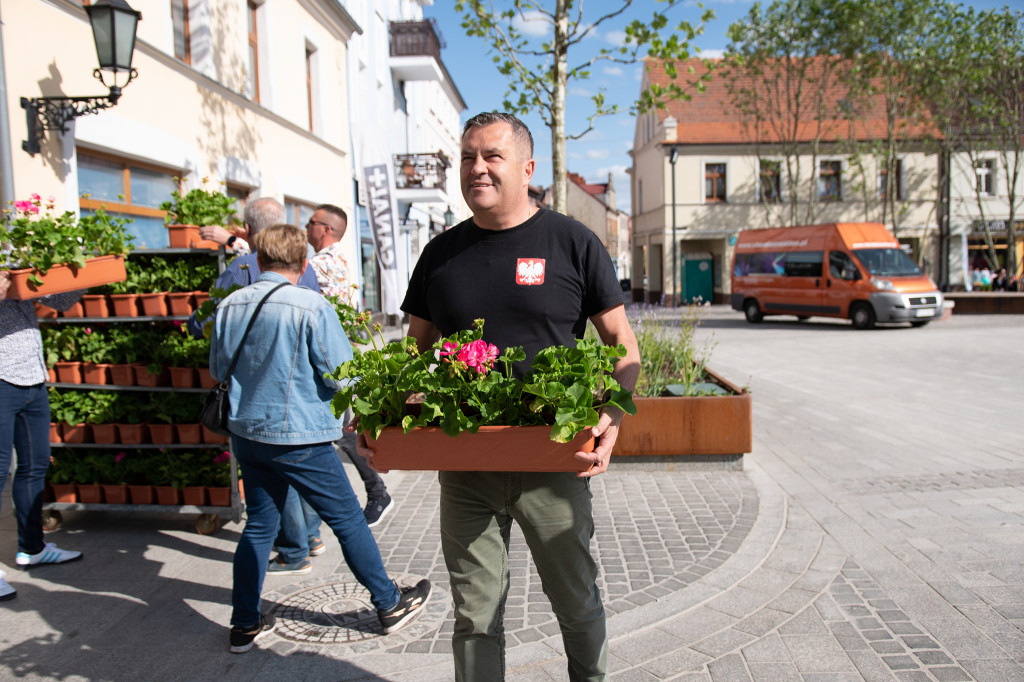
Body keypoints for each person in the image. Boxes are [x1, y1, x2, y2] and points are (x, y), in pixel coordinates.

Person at [359, 112, 640, 681]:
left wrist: (610, 417)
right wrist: (383, 422)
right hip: (465, 467)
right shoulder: (440, 255)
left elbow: (622, 344)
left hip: (554, 461)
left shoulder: (572, 243)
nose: (477, 168)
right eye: (468, 157)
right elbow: (413, 354)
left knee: (576, 602)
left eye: (492, 156)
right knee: (474, 615)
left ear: (527, 168)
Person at [209, 224, 429, 653]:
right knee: (347, 519)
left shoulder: (231, 305)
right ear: (303, 263)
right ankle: (389, 604)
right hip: (301, 435)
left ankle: (244, 624)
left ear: (257, 260)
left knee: (258, 527)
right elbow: (339, 372)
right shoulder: (311, 305)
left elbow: (220, 369)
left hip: (248, 433)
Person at [306, 203, 393, 525]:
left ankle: (376, 493)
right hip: (342, 354)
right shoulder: (341, 259)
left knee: (339, 433)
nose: (306, 228)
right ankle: (374, 493)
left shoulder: (320, 264)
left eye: (311, 222)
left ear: (326, 229)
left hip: (328, 360)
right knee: (341, 432)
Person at [0, 272, 84, 602]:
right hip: (1, 377)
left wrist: (80, 268)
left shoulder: (17, 252)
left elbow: (61, 300)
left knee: (35, 466)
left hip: (32, 376)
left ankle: (32, 548)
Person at [186, 197, 319, 339]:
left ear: (247, 228)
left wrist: (195, 318)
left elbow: (207, 322)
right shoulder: (306, 268)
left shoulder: (242, 267)